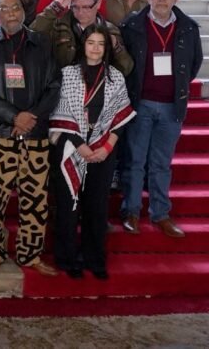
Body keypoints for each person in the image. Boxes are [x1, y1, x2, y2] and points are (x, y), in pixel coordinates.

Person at [0, 0, 61, 276]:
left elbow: (54, 86)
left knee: (35, 199)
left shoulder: (42, 43)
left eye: (16, 7)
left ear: (24, 11)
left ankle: (29, 254)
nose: (10, 12)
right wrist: (13, 117)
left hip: (35, 136)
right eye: (4, 8)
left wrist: (30, 118)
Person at [119, 0, 203, 238]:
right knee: (134, 161)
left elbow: (194, 63)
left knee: (161, 163)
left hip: (171, 107)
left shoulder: (189, 28)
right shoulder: (132, 25)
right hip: (140, 103)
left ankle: (160, 213)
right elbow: (125, 63)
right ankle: (131, 211)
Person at [49, 24, 135, 278]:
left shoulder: (116, 77)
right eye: (91, 43)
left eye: (101, 44)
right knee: (68, 207)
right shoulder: (67, 74)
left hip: (103, 149)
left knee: (96, 208)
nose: (95, 48)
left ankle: (94, 259)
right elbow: (59, 114)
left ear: (106, 48)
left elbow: (122, 117)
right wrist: (80, 145)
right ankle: (66, 259)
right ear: (82, 45)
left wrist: (107, 146)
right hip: (70, 148)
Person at [32, 0, 133, 73]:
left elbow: (126, 68)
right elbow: (31, 35)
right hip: (62, 86)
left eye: (86, 7)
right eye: (75, 7)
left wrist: (116, 48)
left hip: (97, 87)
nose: (80, 12)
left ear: (98, 3)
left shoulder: (110, 30)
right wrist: (54, 8)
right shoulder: (58, 26)